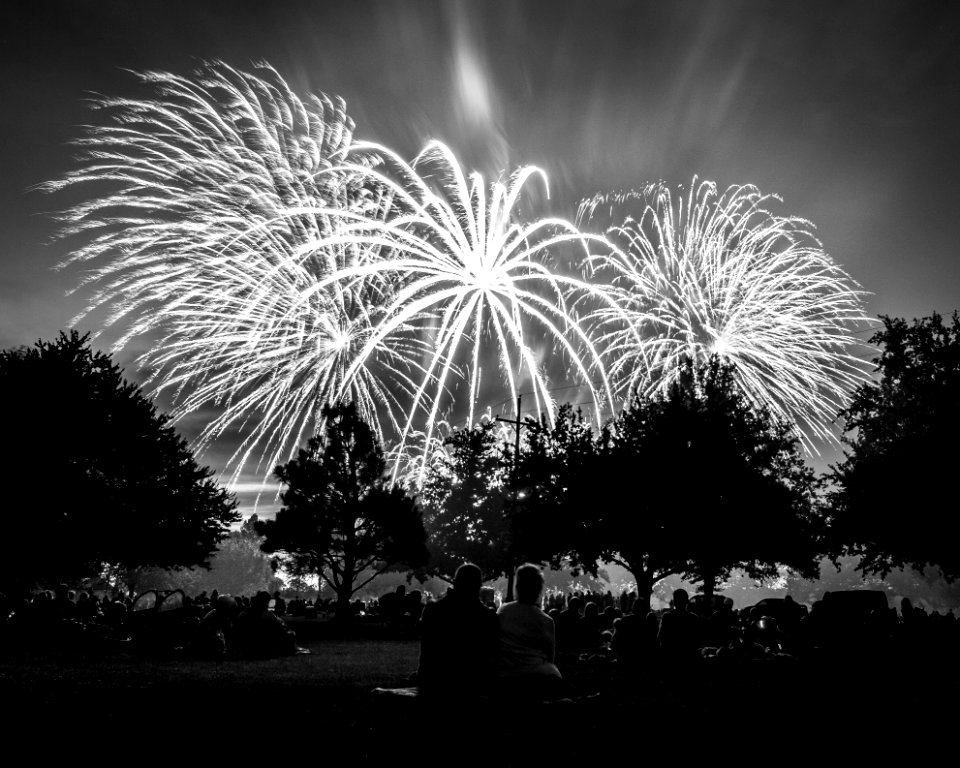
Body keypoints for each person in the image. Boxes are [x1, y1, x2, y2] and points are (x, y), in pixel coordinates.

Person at [417, 563, 499, 698]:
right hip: (472, 683)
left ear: (455, 582)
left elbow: (427, 649)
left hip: (433, 680)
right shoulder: (487, 617)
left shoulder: (432, 610)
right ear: (478, 587)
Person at [496, 563, 568, 700]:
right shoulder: (546, 621)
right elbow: (550, 657)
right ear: (538, 589)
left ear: (517, 587)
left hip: (506, 676)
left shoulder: (503, 611)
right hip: (538, 677)